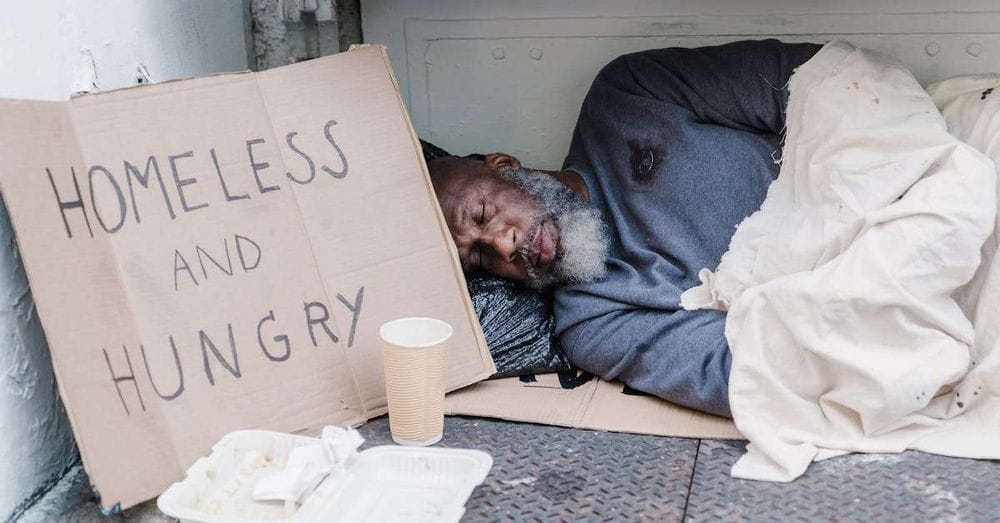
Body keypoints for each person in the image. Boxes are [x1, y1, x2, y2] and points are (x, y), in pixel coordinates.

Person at [427, 39, 821, 416]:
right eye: (478, 257)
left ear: (505, 166)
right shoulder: (593, 321)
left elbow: (815, 83)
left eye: (481, 214)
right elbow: (752, 374)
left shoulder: (628, 94)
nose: (502, 245)